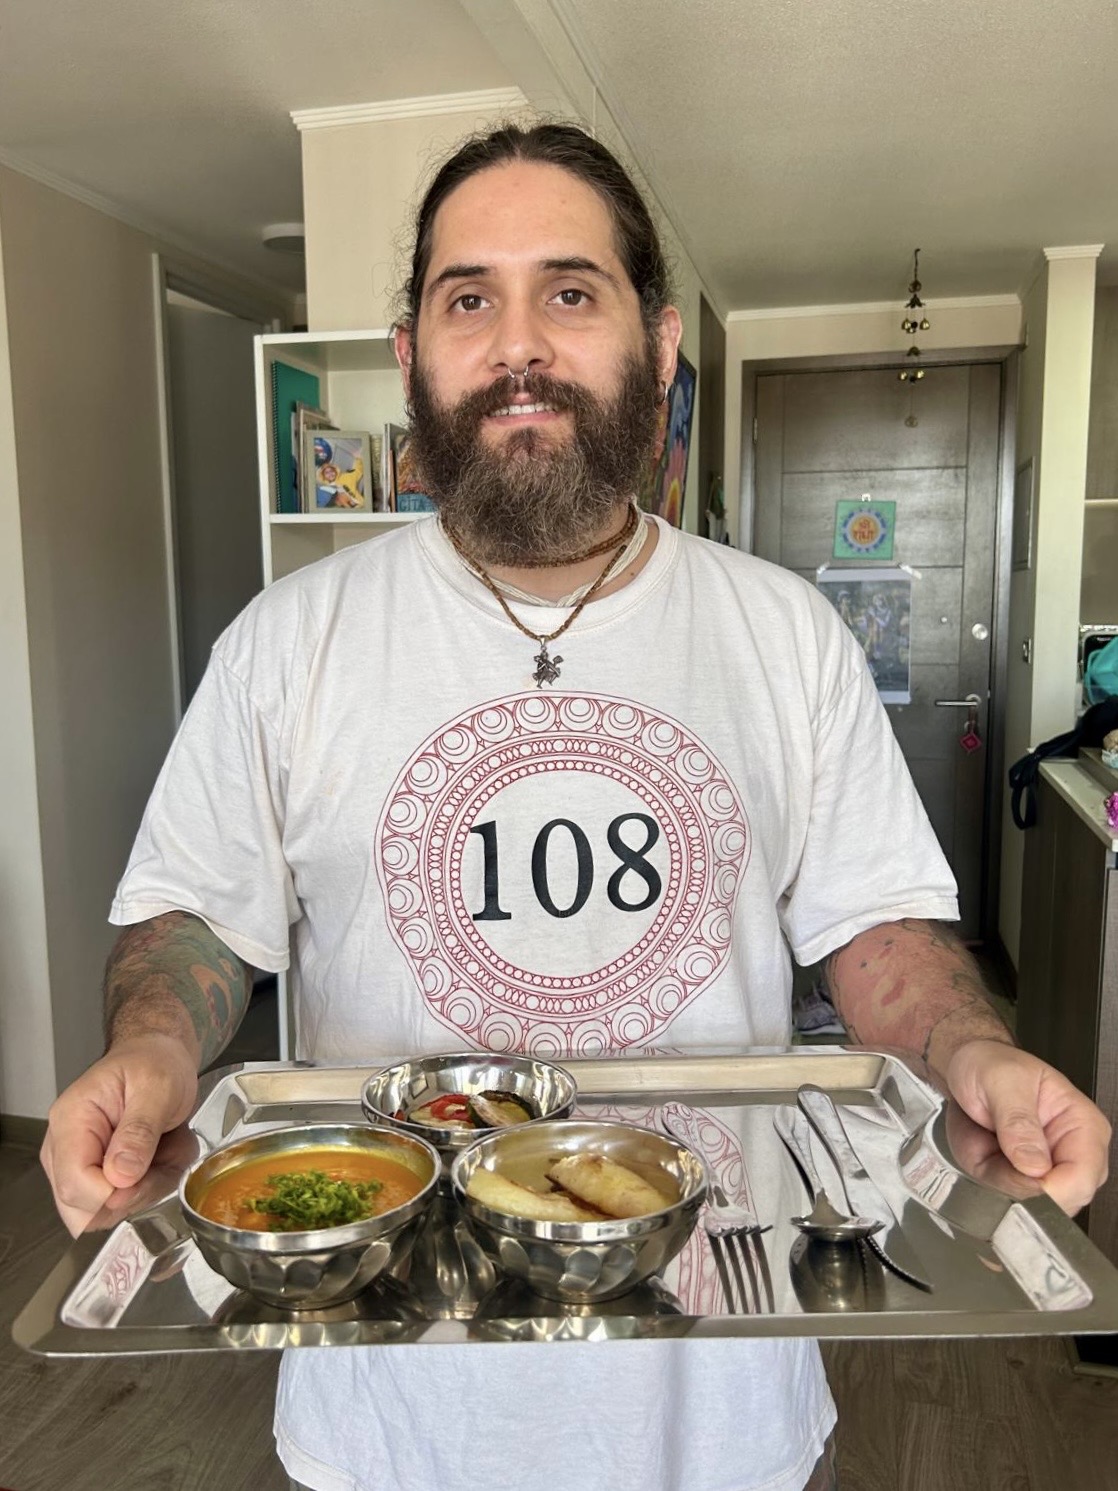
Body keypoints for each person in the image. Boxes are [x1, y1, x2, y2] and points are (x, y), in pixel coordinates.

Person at [41, 122, 1109, 1491]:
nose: (517, 345)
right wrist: (150, 1051)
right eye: (466, 299)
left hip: (712, 1383)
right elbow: (196, 921)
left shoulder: (783, 632)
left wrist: (975, 1051)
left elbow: (874, 927)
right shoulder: (286, 642)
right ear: (413, 352)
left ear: (657, 348)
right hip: (392, 1402)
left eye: (569, 290)